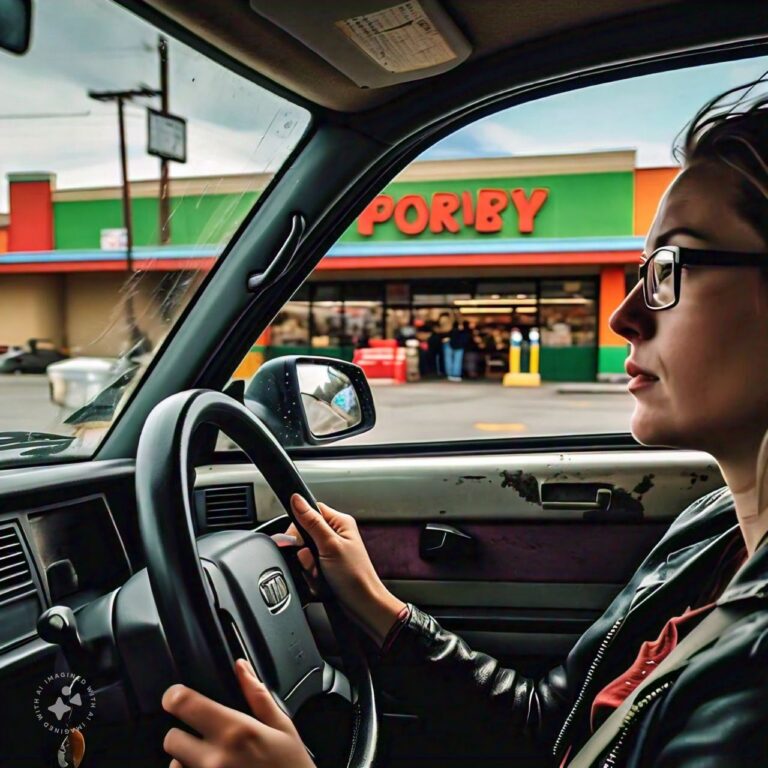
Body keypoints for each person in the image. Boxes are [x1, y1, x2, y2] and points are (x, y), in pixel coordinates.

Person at [162, 78, 768, 767]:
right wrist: (370, 602)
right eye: (637, 270)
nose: (624, 315)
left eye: (669, 267)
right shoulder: (716, 529)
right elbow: (547, 731)